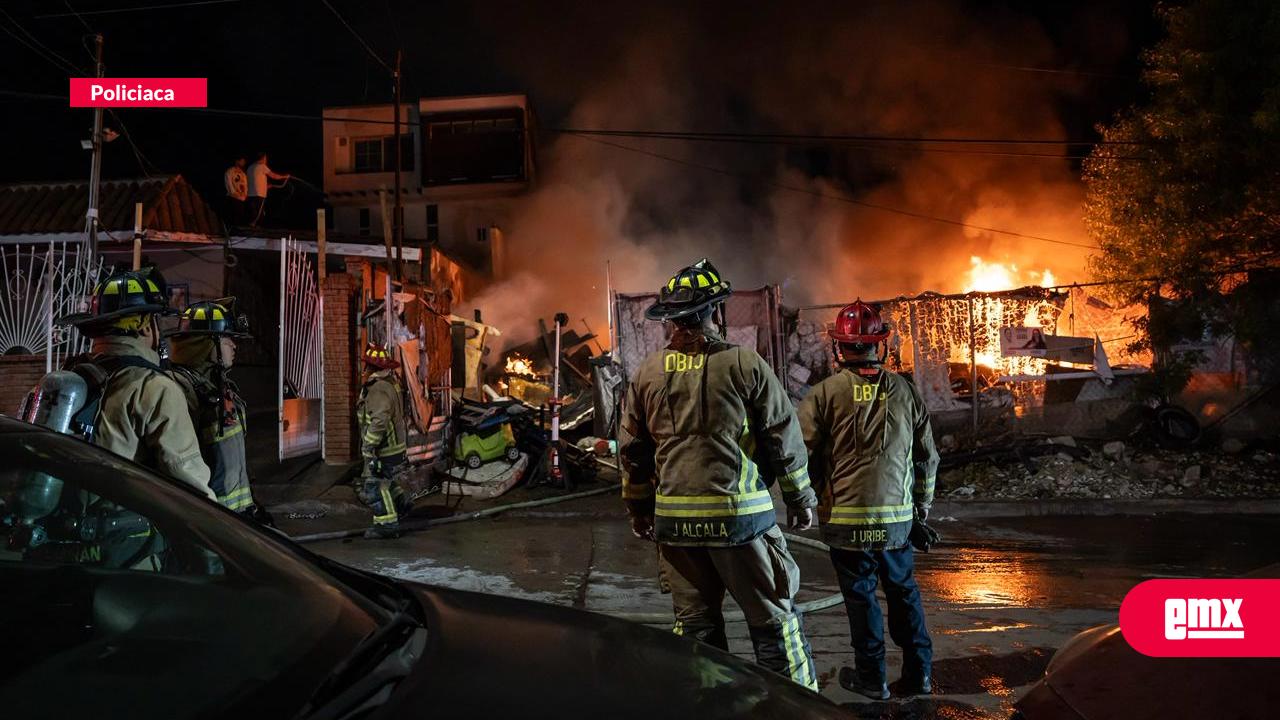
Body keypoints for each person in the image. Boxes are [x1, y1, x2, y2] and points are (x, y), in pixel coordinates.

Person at [619, 258, 819, 690]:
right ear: (714, 310)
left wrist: (639, 509)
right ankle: (795, 711)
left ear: (670, 319)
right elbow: (782, 436)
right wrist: (800, 498)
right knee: (774, 623)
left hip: (675, 526)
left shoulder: (648, 372)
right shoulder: (745, 364)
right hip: (740, 521)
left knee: (696, 634)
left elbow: (633, 451)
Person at [797, 299, 939, 700]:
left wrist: (807, 498)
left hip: (846, 522)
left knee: (861, 601)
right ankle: (919, 674)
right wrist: (921, 509)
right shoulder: (906, 391)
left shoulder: (824, 394)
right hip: (897, 524)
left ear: (838, 347)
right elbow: (927, 456)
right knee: (903, 593)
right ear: (881, 345)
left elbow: (801, 453)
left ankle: (872, 679)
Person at [57, 269, 215, 500]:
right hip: (123, 522)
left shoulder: (70, 377)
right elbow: (190, 485)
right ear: (146, 325)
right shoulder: (154, 388)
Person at [167, 298, 273, 524]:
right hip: (209, 521)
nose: (234, 346)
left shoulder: (218, 387)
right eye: (227, 339)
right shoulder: (179, 390)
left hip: (235, 519)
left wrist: (251, 505)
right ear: (207, 344)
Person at [357, 342, 412, 539]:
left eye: (366, 365)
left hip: (384, 447)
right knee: (387, 481)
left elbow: (379, 420)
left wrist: (368, 445)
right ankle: (402, 507)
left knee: (376, 486)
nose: (363, 369)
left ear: (370, 367)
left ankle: (386, 525)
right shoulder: (390, 383)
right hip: (394, 446)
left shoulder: (379, 388)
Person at [246, 151, 289, 227]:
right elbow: (274, 176)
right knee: (259, 212)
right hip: (259, 194)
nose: (266, 160)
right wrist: (284, 176)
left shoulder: (250, 167)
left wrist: (266, 186)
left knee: (254, 211)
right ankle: (255, 226)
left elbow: (255, 180)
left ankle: (253, 226)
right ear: (263, 158)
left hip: (250, 194)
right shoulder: (262, 166)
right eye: (265, 158)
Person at [223, 156, 248, 226]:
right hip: (233, 198)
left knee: (240, 218)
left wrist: (245, 194)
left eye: (244, 161)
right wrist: (234, 193)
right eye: (242, 161)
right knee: (233, 218)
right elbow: (229, 184)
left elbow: (245, 185)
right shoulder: (230, 171)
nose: (244, 163)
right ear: (237, 161)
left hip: (241, 199)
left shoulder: (243, 174)